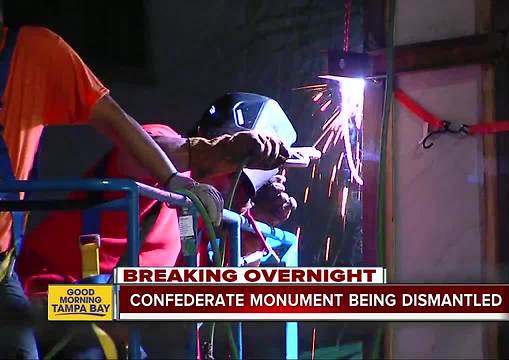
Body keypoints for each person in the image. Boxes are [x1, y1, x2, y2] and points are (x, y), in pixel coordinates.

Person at [0, 23, 227, 359]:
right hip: (50, 292)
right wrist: (200, 157)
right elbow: (143, 139)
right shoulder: (162, 157)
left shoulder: (196, 222)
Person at [18, 119, 295, 358]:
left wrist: (251, 245)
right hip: (50, 299)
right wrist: (210, 153)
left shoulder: (193, 224)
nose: (241, 204)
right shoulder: (168, 156)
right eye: (242, 190)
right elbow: (137, 153)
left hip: (102, 324)